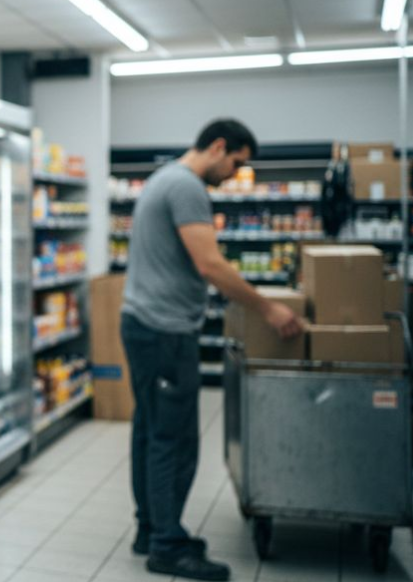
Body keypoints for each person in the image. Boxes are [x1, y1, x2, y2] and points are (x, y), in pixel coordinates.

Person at [121, 119, 305, 581]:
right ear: (219, 147)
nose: (236, 174)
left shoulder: (163, 177)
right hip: (164, 331)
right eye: (237, 163)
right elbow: (210, 264)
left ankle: (150, 529)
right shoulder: (186, 188)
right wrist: (269, 309)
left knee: (148, 430)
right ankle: (167, 545)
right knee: (174, 439)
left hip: (142, 323)